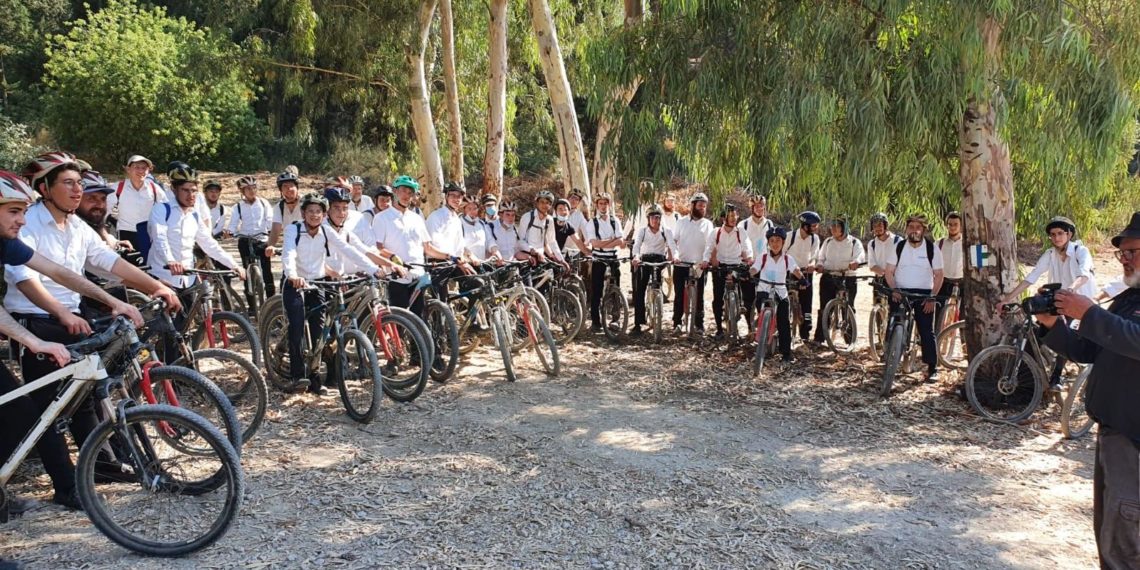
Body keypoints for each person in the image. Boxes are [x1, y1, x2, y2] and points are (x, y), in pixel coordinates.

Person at [0, 170, 146, 512]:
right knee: (24, 415)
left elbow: (59, 272)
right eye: (13, 212)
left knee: (21, 417)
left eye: (23, 211)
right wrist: (33, 342)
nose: (22, 220)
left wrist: (114, 301)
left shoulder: (7, 243)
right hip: (33, 322)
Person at [1035, 211, 1140, 569]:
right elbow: (1087, 350)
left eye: (1132, 252)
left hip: (1135, 441)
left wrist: (1090, 312)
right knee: (1111, 536)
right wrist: (1053, 325)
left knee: (1128, 541)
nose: (1124, 259)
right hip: (1112, 435)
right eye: (1121, 253)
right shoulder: (1128, 298)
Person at [281, 192, 383, 394]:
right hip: (295, 283)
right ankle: (297, 376)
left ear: (323, 214)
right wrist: (293, 275)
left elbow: (349, 250)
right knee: (297, 326)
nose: (314, 215)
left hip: (317, 283)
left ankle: (315, 378)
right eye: (310, 211)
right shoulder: (294, 229)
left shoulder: (327, 232)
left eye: (318, 211)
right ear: (303, 213)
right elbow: (289, 253)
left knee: (321, 331)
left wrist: (373, 269)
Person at [1001, 215, 1097, 390]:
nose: (1056, 238)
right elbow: (1032, 276)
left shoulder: (1080, 251)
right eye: (1052, 234)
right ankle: (1036, 370)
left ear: (1069, 234)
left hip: (1080, 303)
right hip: (1059, 300)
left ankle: (1057, 376)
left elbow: (1084, 275)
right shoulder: (1050, 254)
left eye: (1060, 233)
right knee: (1038, 330)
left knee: (1064, 331)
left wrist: (1071, 289)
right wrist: (1008, 297)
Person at [146, 164, 245, 289]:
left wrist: (234, 265)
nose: (191, 195)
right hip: (163, 276)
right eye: (185, 190)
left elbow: (209, 243)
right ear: (174, 189)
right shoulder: (161, 209)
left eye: (193, 190)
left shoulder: (194, 215)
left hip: (187, 278)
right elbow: (160, 238)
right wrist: (170, 261)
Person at [885, 214, 944, 382]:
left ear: (923, 230)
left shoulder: (932, 249)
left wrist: (932, 297)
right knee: (893, 322)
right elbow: (889, 271)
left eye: (918, 227)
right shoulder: (899, 246)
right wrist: (894, 289)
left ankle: (932, 367)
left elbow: (939, 275)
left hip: (923, 294)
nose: (915, 230)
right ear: (907, 229)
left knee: (926, 330)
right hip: (900, 292)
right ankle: (889, 355)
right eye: (911, 227)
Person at [373, 176, 443, 315]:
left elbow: (427, 248)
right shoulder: (381, 218)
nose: (406, 195)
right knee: (400, 319)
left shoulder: (416, 218)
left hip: (417, 275)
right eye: (403, 191)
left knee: (419, 318)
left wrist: (451, 256)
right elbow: (377, 248)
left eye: (410, 192)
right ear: (395, 192)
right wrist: (392, 257)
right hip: (396, 277)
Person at [750, 226, 807, 361]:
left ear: (783, 243)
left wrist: (803, 280)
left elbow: (796, 270)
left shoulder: (788, 259)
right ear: (768, 243)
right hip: (764, 290)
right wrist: (748, 274)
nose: (775, 244)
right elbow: (754, 268)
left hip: (781, 292)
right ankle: (763, 335)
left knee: (784, 323)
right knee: (762, 313)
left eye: (778, 241)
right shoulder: (762, 258)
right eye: (772, 241)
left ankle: (786, 353)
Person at [323, 187, 404, 278]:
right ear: (327, 209)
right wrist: (331, 272)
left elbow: (364, 252)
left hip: (340, 279)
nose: (341, 212)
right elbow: (309, 259)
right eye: (336, 208)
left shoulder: (345, 233)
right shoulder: (320, 229)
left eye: (345, 208)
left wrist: (390, 264)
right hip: (319, 280)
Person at [703, 203, 754, 339]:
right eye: (730, 216)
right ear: (723, 218)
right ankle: (719, 328)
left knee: (745, 294)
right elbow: (709, 247)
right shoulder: (716, 232)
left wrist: (749, 258)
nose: (733, 218)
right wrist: (705, 260)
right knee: (717, 298)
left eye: (735, 215)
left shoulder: (740, 232)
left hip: (736, 264)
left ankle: (749, 325)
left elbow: (747, 245)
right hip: (720, 266)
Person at [225, 176, 276, 308]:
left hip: (261, 239)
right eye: (248, 189)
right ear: (242, 191)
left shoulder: (264, 203)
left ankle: (272, 303)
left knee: (267, 271)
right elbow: (234, 223)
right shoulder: (238, 207)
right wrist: (230, 231)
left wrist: (271, 230)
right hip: (245, 240)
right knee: (247, 273)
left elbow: (269, 219)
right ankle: (252, 306)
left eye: (254, 188)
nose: (252, 191)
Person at [814, 217, 865, 343]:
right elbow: (821, 257)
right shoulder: (827, 242)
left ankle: (850, 339)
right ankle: (819, 338)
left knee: (848, 307)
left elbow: (860, 256)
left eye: (837, 226)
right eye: (832, 226)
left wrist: (856, 262)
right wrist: (820, 265)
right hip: (829, 276)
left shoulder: (854, 242)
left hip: (848, 277)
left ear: (844, 228)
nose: (833, 229)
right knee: (824, 308)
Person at [105, 154, 165, 258]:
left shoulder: (154, 188)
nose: (141, 171)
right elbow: (104, 213)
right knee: (129, 267)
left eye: (144, 168)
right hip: (126, 235)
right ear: (128, 169)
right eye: (137, 167)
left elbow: (166, 211)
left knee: (150, 267)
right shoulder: (117, 188)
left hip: (149, 235)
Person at [672, 192, 715, 334]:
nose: (703, 208)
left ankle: (699, 325)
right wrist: (675, 256)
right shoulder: (681, 222)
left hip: (699, 265)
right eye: (700, 206)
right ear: (692, 206)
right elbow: (674, 241)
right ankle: (677, 323)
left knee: (699, 296)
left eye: (704, 206)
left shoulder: (708, 224)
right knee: (679, 295)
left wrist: (706, 260)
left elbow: (710, 245)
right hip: (681, 264)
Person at [630, 204, 674, 336]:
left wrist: (675, 257)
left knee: (657, 285)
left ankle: (658, 307)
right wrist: (636, 257)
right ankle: (638, 323)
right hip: (645, 259)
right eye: (653, 217)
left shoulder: (666, 231)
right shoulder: (642, 231)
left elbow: (672, 245)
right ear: (648, 219)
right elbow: (636, 246)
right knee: (639, 290)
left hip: (659, 259)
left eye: (658, 217)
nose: (655, 220)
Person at [584, 192, 626, 332]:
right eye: (600, 203)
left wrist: (606, 243)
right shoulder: (592, 222)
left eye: (605, 203)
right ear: (596, 205)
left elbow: (621, 242)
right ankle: (596, 322)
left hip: (613, 258)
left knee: (616, 290)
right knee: (596, 291)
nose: (603, 206)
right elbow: (595, 244)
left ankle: (616, 320)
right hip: (599, 259)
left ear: (609, 204)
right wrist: (612, 241)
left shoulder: (615, 221)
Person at [786, 211, 821, 341]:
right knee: (784, 300)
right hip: (789, 272)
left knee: (807, 302)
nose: (816, 228)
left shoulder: (814, 239)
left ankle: (805, 332)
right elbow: (781, 253)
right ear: (805, 226)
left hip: (806, 272)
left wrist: (812, 264)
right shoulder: (790, 236)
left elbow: (814, 256)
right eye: (813, 226)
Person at [519, 190, 569, 269]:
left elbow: (552, 241)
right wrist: (532, 250)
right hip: (527, 257)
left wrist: (561, 260)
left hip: (541, 258)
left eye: (547, 203)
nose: (544, 205)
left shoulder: (549, 220)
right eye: (542, 202)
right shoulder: (527, 217)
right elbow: (520, 241)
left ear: (550, 205)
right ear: (537, 203)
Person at [265, 171, 304, 258]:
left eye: (291, 186)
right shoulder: (279, 207)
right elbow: (275, 230)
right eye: (285, 186)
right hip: (289, 247)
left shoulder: (306, 204)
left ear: (297, 187)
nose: (289, 189)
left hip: (307, 246)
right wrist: (270, 246)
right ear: (281, 190)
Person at [738, 195, 775, 260]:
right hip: (747, 263)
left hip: (764, 263)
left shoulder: (769, 224)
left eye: (761, 206)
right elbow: (738, 246)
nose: (760, 208)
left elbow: (771, 245)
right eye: (757, 206)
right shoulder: (743, 224)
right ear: (752, 208)